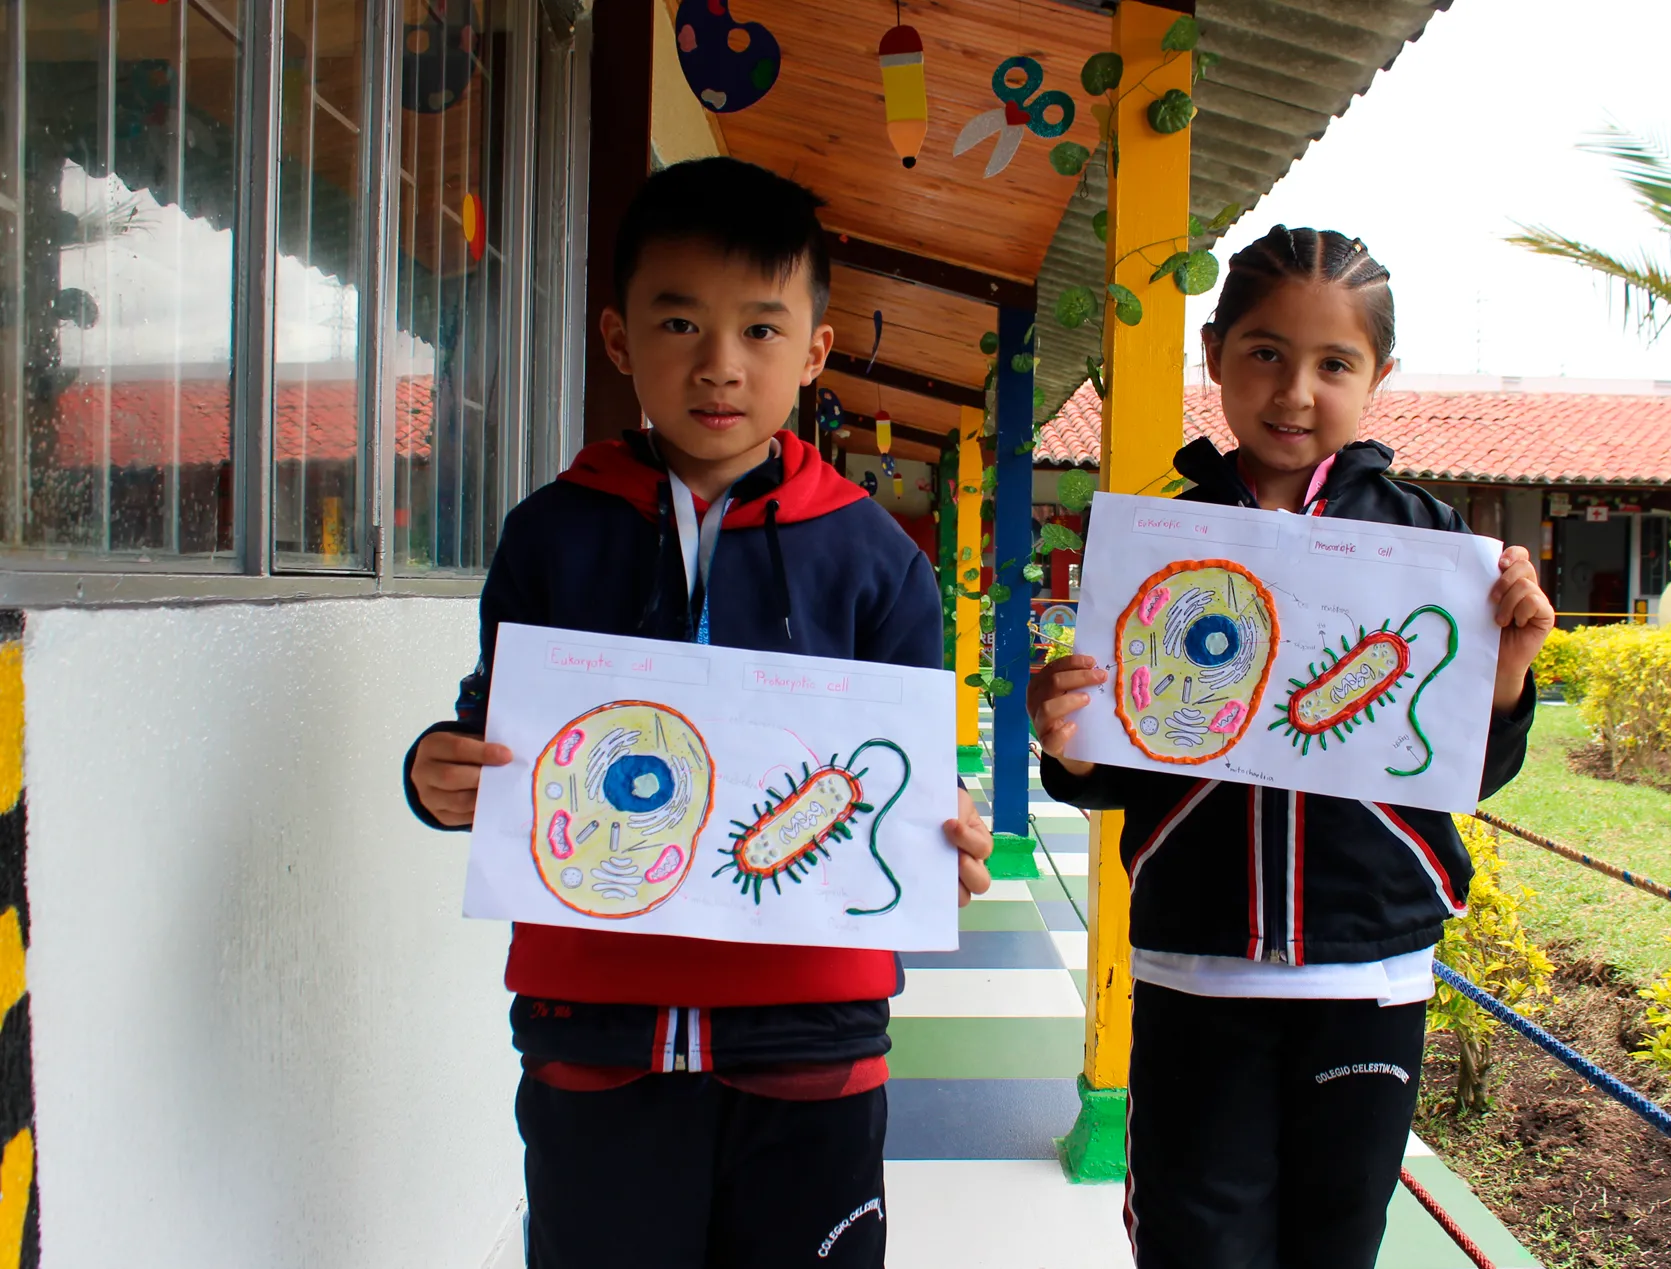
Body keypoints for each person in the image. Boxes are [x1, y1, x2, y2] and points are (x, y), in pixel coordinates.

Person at [403, 156, 994, 1269]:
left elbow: (915, 770)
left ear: (815, 350)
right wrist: (442, 771)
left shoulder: (878, 560)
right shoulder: (552, 534)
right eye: (681, 324)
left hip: (812, 1041)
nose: (720, 366)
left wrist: (946, 828)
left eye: (762, 331)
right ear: (620, 339)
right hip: (594, 1031)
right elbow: (495, 734)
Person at [1027, 226, 1555, 1269]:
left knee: (1337, 1242)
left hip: (1372, 971)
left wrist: (1508, 670)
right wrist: (1072, 735)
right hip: (1196, 967)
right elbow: (1119, 769)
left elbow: (1466, 772)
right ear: (1215, 354)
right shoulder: (1163, 544)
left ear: (1379, 378)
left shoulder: (1434, 546)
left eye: (1333, 364)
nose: (1295, 391)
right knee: (1196, 1239)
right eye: (1266, 353)